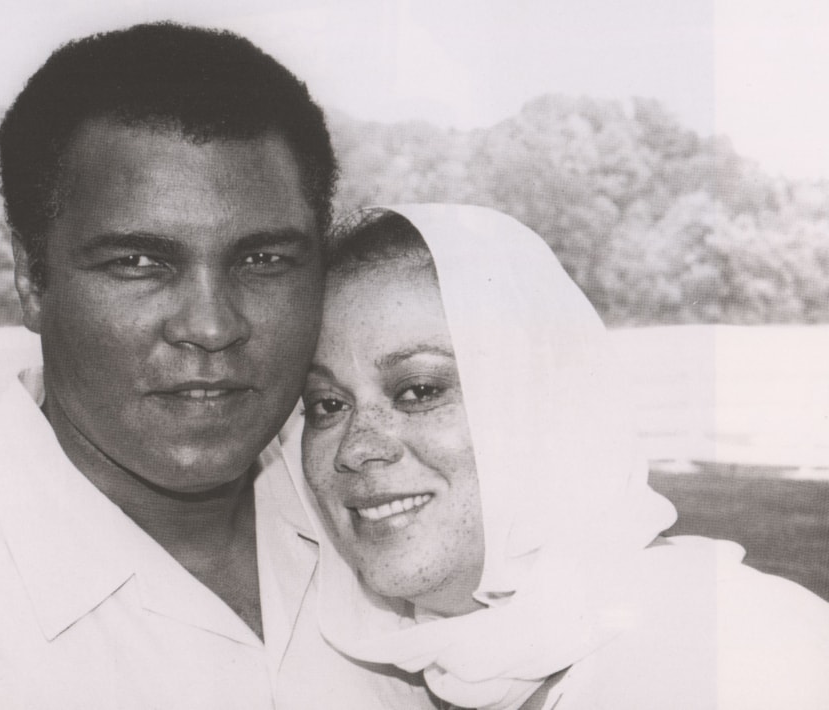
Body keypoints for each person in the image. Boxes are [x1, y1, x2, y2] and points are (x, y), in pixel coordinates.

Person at [0, 25, 438, 709]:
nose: (211, 326)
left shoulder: (399, 526)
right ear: (30, 278)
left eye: (264, 260)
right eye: (139, 263)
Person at [293, 204, 829, 709]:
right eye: (327, 404)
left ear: (546, 404)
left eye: (419, 390)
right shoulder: (410, 674)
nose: (358, 447)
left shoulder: (739, 657)